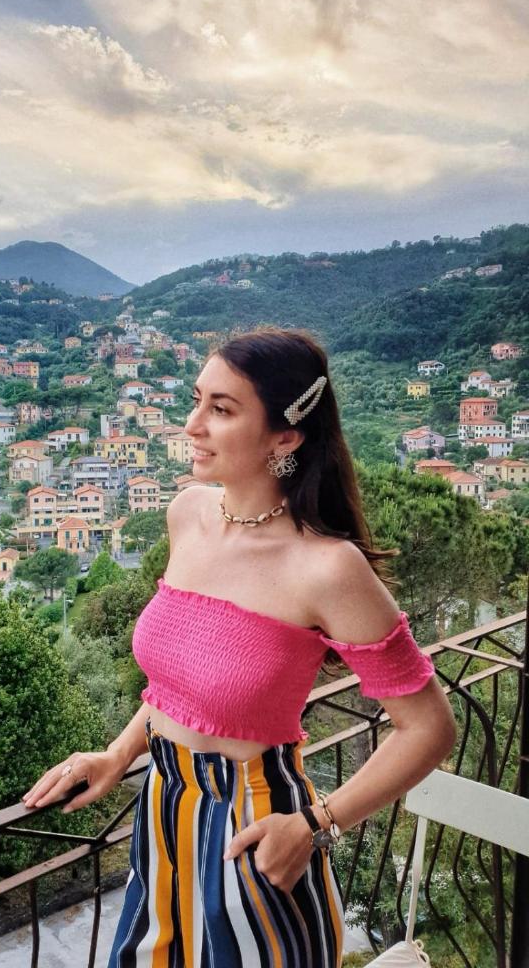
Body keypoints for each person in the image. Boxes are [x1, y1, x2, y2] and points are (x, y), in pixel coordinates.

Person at [22, 326, 457, 967]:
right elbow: (179, 685)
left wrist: (316, 824)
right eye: (196, 400)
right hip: (162, 809)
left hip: (255, 827)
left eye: (221, 410)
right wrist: (117, 754)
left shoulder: (328, 568)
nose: (192, 425)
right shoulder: (187, 515)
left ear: (286, 436)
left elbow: (429, 728)